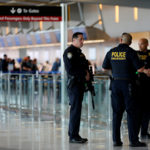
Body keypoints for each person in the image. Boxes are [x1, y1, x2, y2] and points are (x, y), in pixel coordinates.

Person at [102, 33, 148, 147]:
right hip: (128, 85)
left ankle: (116, 140)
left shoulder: (111, 52)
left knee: (117, 113)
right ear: (130, 42)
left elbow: (104, 68)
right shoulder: (131, 52)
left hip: (115, 84)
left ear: (121, 40)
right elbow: (140, 68)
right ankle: (133, 141)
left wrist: (115, 70)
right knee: (132, 112)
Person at [63, 32, 89, 143]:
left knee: (77, 110)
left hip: (80, 84)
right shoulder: (69, 52)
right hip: (74, 85)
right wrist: (84, 73)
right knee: (75, 110)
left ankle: (75, 134)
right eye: (81, 39)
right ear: (74, 40)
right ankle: (73, 136)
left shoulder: (79, 53)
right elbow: (70, 70)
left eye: (83, 39)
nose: (82, 41)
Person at [137, 38, 150, 139]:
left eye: (142, 44)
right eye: (139, 44)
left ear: (147, 44)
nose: (140, 46)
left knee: (147, 110)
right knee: (138, 110)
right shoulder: (135, 54)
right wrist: (142, 71)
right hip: (137, 85)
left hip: (148, 86)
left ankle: (144, 132)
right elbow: (133, 70)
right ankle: (136, 133)